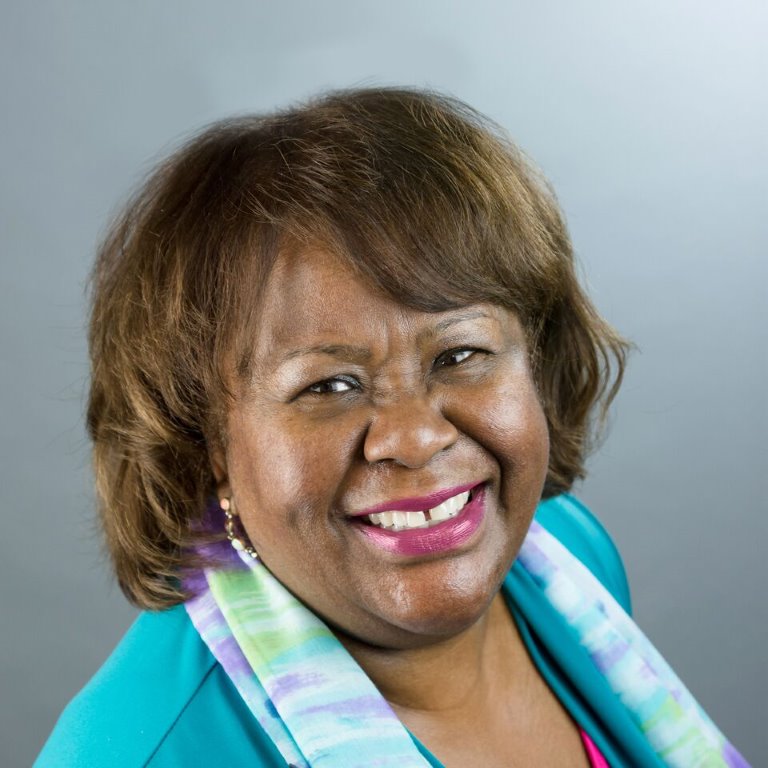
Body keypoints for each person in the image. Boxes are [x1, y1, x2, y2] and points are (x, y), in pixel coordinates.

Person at [36, 88, 747, 768]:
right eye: (327, 386)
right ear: (205, 444)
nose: (414, 438)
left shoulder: (570, 549)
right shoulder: (135, 756)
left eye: (459, 354)